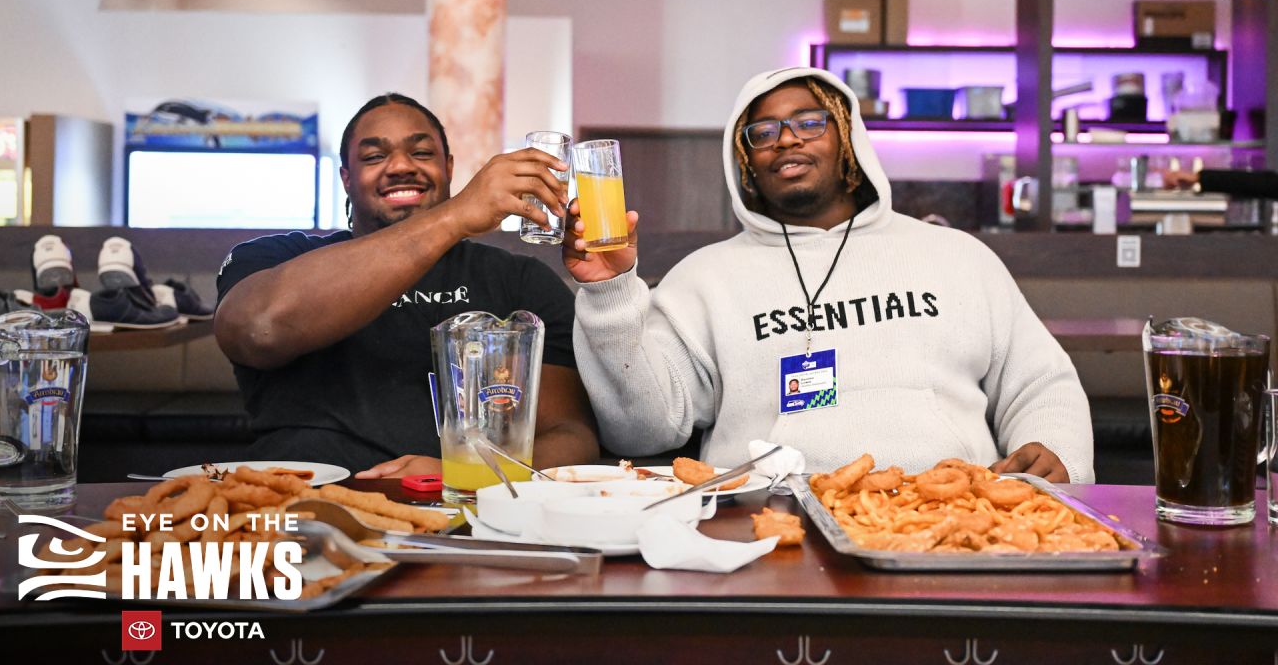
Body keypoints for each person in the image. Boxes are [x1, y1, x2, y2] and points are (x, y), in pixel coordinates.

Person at [563, 67, 1093, 483]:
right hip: (767, 520)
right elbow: (640, 431)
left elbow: (1042, 381)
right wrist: (609, 292)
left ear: (847, 136)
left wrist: (1057, 449)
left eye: (810, 122)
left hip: (951, 510)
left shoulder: (957, 257)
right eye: (763, 132)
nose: (786, 139)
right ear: (745, 160)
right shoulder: (704, 279)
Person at [215, 93, 599, 478]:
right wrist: (457, 214)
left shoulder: (519, 280)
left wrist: (461, 475)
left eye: (421, 153)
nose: (400, 166)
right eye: (373, 157)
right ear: (346, 178)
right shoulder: (275, 258)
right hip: (304, 506)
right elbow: (259, 327)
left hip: (469, 512)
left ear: (449, 168)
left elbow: (570, 437)